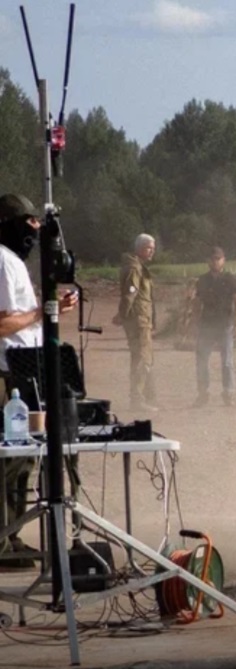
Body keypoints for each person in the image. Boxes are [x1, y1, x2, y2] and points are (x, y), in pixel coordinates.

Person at [0, 194, 77, 569]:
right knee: (8, 458)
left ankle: (10, 536)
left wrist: (51, 310)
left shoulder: (12, 260)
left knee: (24, 458)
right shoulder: (1, 260)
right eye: (29, 222)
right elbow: (2, 323)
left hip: (24, 370)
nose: (35, 230)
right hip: (7, 372)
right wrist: (43, 312)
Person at [114, 233, 159, 412]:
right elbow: (130, 293)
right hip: (138, 320)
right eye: (148, 248)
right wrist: (122, 314)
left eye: (153, 248)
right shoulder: (134, 268)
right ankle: (137, 400)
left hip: (143, 319)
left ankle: (148, 397)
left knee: (144, 357)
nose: (151, 252)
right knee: (141, 359)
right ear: (139, 248)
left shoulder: (138, 266)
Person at [193, 247, 236, 408]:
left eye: (218, 258)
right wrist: (195, 324)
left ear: (223, 260)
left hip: (225, 325)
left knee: (227, 361)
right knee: (202, 361)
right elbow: (196, 304)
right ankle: (203, 393)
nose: (215, 261)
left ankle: (228, 393)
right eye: (212, 259)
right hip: (206, 325)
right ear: (208, 261)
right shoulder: (202, 281)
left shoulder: (231, 280)